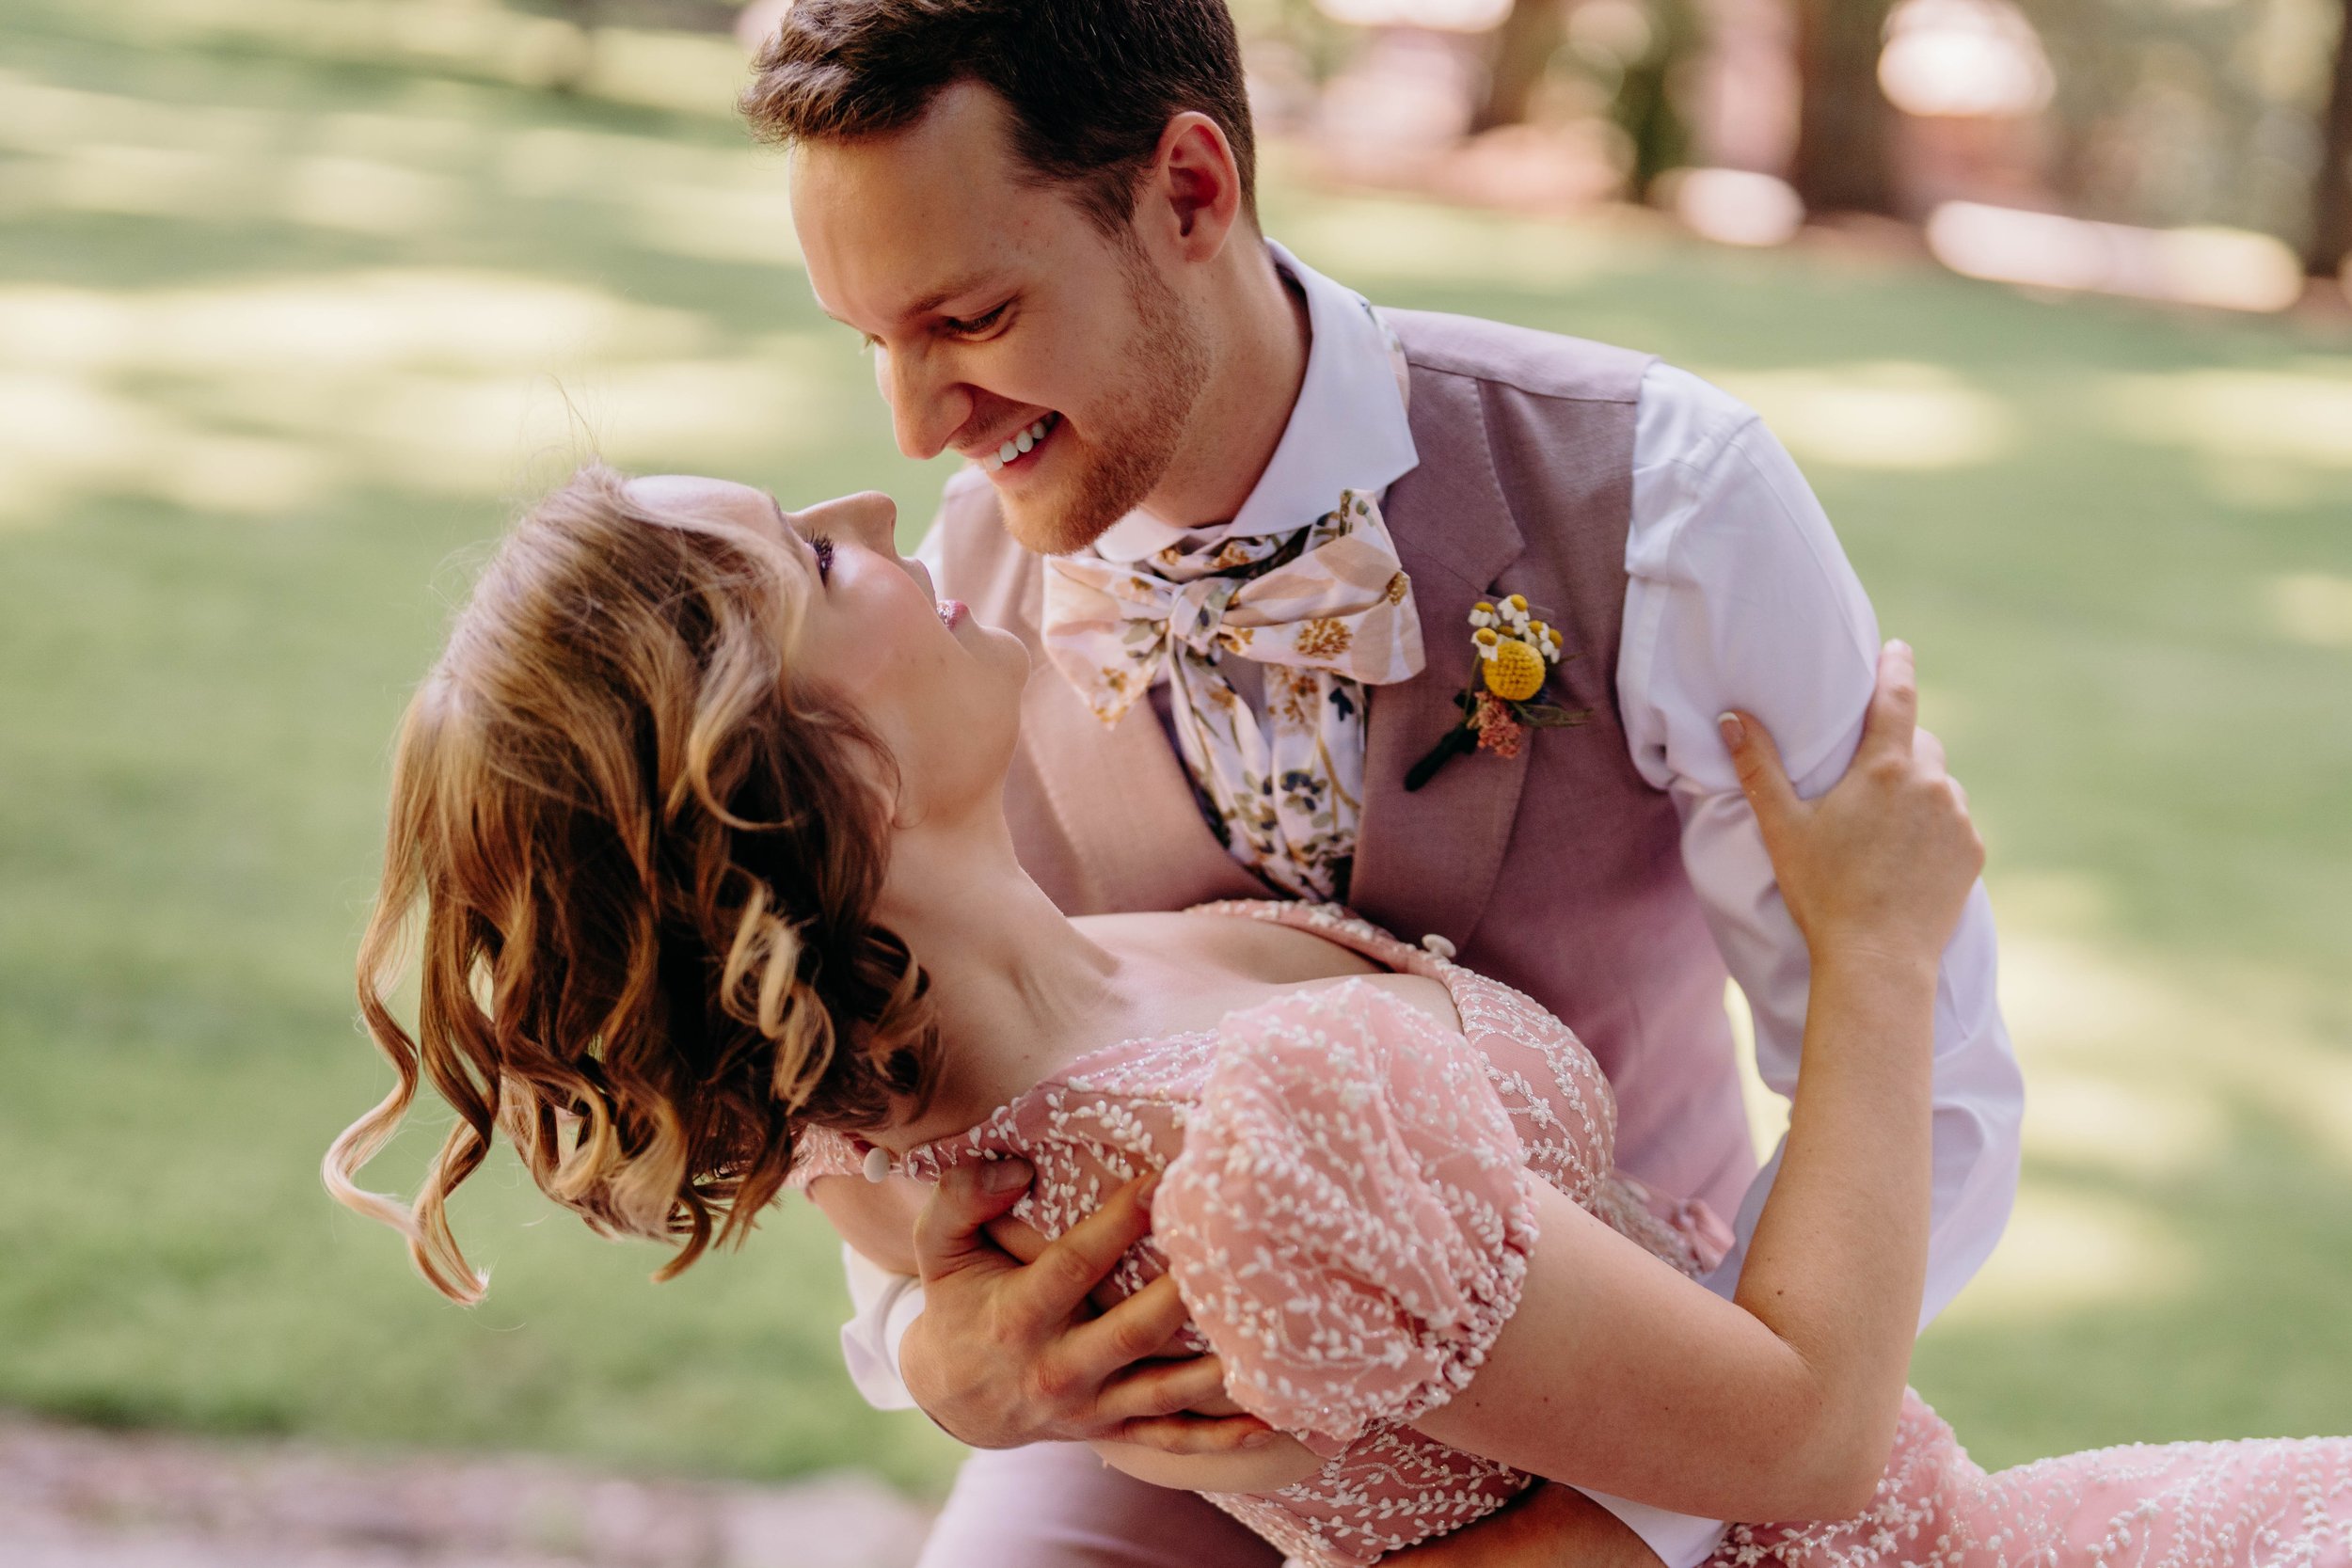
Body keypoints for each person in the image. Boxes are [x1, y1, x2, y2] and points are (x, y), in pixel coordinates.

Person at [324, 467, 2352, 1568]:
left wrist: (932, 1362)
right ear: (810, 779)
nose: (879, 505)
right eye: (811, 556)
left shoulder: (939, 1096)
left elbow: (911, 1286)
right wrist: (1881, 955)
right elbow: (1806, 1440)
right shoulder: (1230, 1149)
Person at [734, 3, 2023, 1563]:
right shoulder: (943, 632)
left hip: (1627, 1360)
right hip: (1176, 1427)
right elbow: (875, 1073)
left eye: (974, 316)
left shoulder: (1661, 500)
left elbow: (1923, 1074)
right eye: (872, 338)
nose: (917, 424)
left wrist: (1630, 1507)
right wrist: (936, 1355)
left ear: (1191, 193)